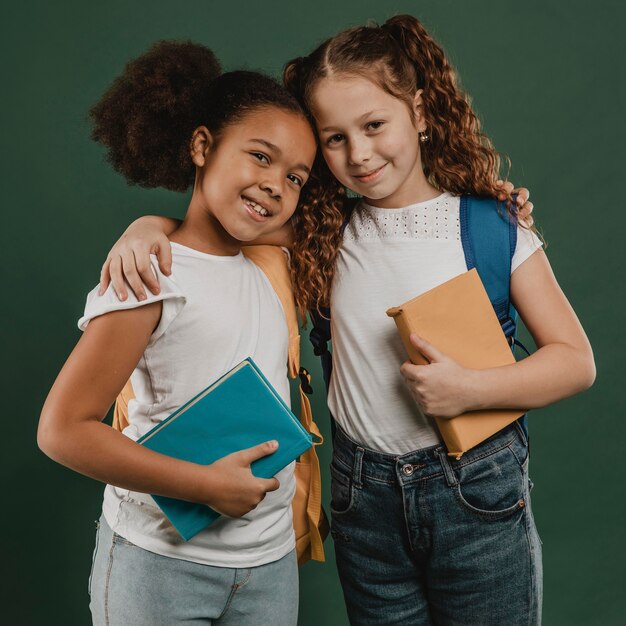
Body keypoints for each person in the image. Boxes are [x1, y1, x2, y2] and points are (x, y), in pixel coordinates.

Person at [97, 16, 595, 626]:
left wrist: (473, 389)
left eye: (374, 126)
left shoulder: (493, 226)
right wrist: (145, 227)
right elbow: (214, 221)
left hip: (476, 492)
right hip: (365, 498)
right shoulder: (322, 235)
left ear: (419, 111)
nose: (358, 154)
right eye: (334, 138)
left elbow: (574, 361)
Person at [37, 40, 318, 625]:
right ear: (201, 145)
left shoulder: (272, 263)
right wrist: (202, 485)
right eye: (260, 157)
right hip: (158, 566)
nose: (276, 186)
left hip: (268, 566)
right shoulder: (148, 273)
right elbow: (62, 430)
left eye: (295, 177)